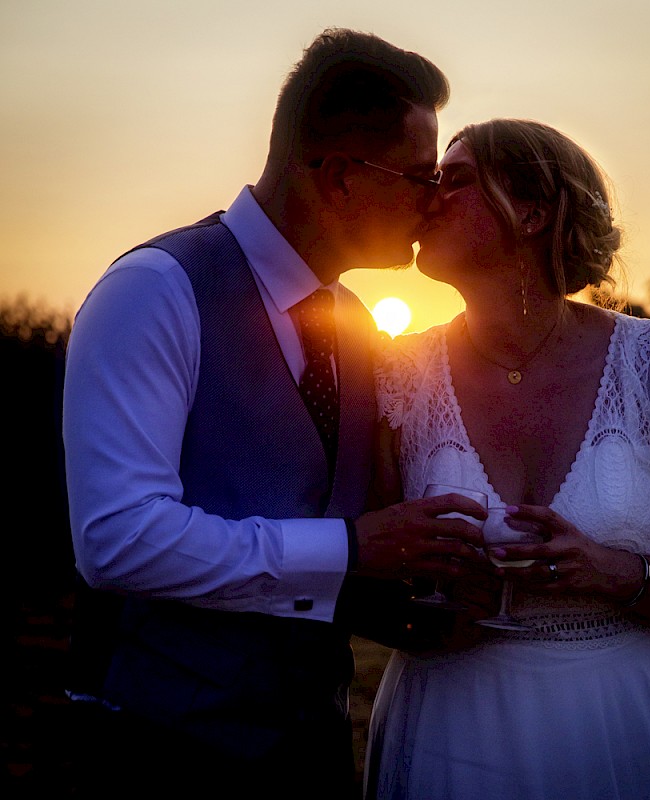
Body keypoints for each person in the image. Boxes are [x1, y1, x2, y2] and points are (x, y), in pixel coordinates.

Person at [62, 28, 487, 799]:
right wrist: (351, 547)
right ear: (339, 177)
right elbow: (116, 542)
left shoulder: (357, 325)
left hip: (308, 756)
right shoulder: (156, 290)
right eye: (419, 178)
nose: (433, 205)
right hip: (153, 756)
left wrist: (390, 608)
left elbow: (309, 513)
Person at [364, 118, 650, 799]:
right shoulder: (394, 374)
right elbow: (363, 576)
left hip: (633, 718)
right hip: (451, 728)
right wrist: (423, 608)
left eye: (456, 179)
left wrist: (602, 568)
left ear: (533, 209)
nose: (429, 194)